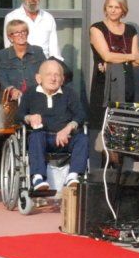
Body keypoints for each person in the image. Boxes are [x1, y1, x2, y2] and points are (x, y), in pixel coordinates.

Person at [18, 58, 88, 201]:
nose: (53, 78)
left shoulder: (69, 94)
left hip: (65, 139)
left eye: (57, 75)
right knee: (36, 136)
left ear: (62, 79)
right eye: (49, 74)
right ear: (39, 78)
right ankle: (38, 178)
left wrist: (69, 127)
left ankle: (73, 176)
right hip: (42, 138)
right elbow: (18, 115)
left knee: (83, 138)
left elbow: (81, 114)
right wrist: (29, 118)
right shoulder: (30, 94)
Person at [88, 0, 139, 124]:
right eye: (110, 6)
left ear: (123, 10)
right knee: (103, 122)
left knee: (124, 122)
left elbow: (138, 61)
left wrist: (116, 58)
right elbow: (106, 55)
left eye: (117, 7)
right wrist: (129, 56)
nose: (113, 10)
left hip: (126, 82)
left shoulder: (130, 30)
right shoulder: (97, 28)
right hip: (104, 83)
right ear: (105, 8)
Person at [4, 0, 60, 64]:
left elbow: (55, 53)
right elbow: (8, 51)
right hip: (21, 68)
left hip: (45, 69)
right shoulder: (12, 17)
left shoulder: (48, 18)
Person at [0, 20, 47, 108]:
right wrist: (12, 90)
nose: (21, 35)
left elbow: (45, 72)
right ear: (10, 37)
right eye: (16, 32)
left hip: (35, 98)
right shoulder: (2, 55)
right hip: (11, 102)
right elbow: (2, 77)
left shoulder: (38, 51)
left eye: (24, 31)